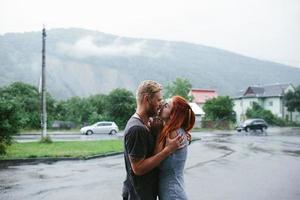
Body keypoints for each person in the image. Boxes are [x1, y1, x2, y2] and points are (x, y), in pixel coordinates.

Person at [122, 80, 185, 200]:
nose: (160, 104)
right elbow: (138, 168)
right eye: (158, 100)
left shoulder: (146, 124)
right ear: (147, 99)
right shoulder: (137, 128)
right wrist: (168, 150)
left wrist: (157, 134)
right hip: (139, 196)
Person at [155, 95, 195, 200]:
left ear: (173, 115)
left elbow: (156, 160)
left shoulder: (174, 132)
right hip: (173, 191)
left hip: (173, 194)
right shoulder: (176, 130)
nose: (162, 106)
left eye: (166, 106)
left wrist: (158, 131)